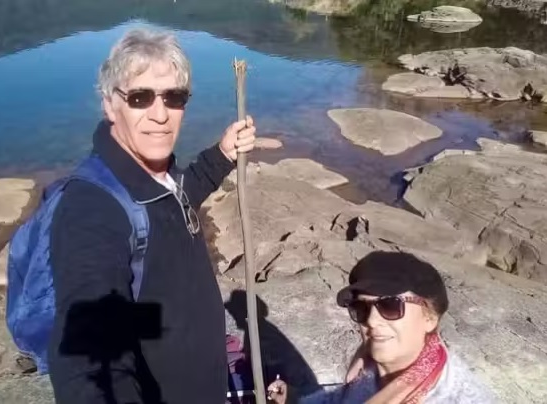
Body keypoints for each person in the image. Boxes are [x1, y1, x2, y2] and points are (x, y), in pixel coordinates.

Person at [47, 28, 256, 403]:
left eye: (173, 97)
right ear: (110, 105)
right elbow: (88, 348)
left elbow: (180, 198)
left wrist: (222, 155)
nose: (160, 115)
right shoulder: (90, 208)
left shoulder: (156, 175)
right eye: (140, 97)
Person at [267, 251, 496, 404]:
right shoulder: (368, 370)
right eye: (361, 307)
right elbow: (339, 400)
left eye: (390, 305)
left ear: (430, 317)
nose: (371, 320)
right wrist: (295, 399)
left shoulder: (459, 398)